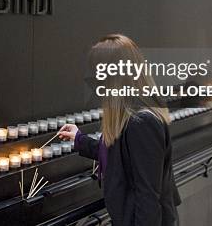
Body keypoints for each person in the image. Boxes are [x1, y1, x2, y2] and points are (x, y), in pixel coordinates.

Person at [59, 34, 180, 226]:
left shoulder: (141, 122)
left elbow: (148, 196)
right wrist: (79, 139)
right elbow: (118, 154)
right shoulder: (128, 115)